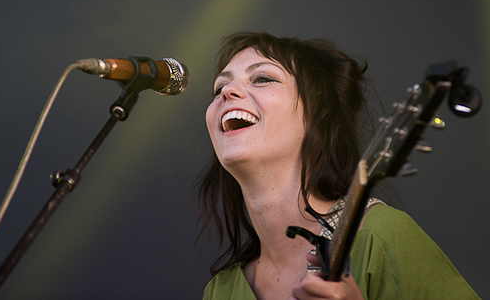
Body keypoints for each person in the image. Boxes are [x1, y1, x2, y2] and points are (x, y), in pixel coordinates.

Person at [196, 32, 479, 300]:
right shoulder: (222, 290)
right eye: (219, 86)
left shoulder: (381, 236)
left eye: (262, 78)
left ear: (318, 117)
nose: (227, 92)